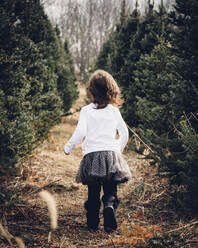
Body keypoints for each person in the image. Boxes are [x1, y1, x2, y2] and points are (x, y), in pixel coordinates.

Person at [64, 69, 131, 233]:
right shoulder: (114, 111)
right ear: (111, 90)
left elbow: (80, 132)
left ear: (91, 91)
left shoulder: (86, 111)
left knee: (93, 191)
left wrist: (68, 147)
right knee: (110, 189)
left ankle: (93, 221)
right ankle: (109, 205)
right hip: (110, 154)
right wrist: (117, 151)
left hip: (92, 156)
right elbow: (125, 133)